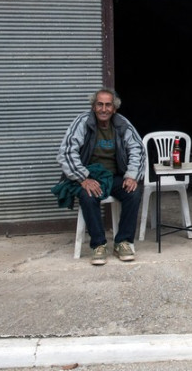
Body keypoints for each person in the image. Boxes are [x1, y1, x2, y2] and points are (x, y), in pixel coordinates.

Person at [57, 88, 145, 265]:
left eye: (108, 105)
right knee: (88, 196)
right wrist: (83, 178)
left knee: (133, 192)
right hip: (90, 176)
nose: (103, 109)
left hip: (114, 176)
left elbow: (138, 150)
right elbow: (66, 152)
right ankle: (98, 244)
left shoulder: (122, 124)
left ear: (114, 109)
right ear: (93, 106)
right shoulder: (83, 123)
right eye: (99, 104)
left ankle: (123, 242)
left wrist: (131, 175)